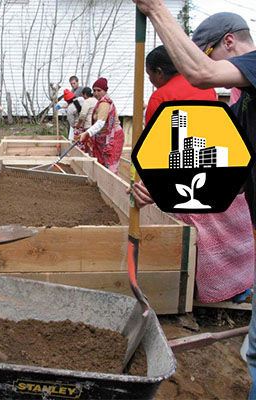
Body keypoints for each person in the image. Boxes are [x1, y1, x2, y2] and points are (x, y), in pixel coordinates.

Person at [131, 2, 256, 395]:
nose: (203, 67)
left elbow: (201, 74)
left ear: (229, 43)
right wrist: (161, 188)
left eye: (207, 54)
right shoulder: (240, 101)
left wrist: (154, 9)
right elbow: (226, 174)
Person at [131, 45, 254, 304]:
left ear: (160, 71)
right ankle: (239, 286)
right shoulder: (204, 86)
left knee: (198, 236)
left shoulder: (160, 97)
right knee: (227, 231)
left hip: (185, 171)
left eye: (150, 75)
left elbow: (159, 147)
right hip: (218, 167)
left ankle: (201, 291)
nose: (150, 81)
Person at [79, 77, 124, 174]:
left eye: (99, 90)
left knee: (110, 165)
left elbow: (100, 123)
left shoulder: (104, 103)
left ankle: (113, 187)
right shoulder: (99, 102)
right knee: (102, 164)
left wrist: (87, 133)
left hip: (112, 138)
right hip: (102, 137)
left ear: (105, 91)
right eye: (94, 90)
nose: (96, 93)